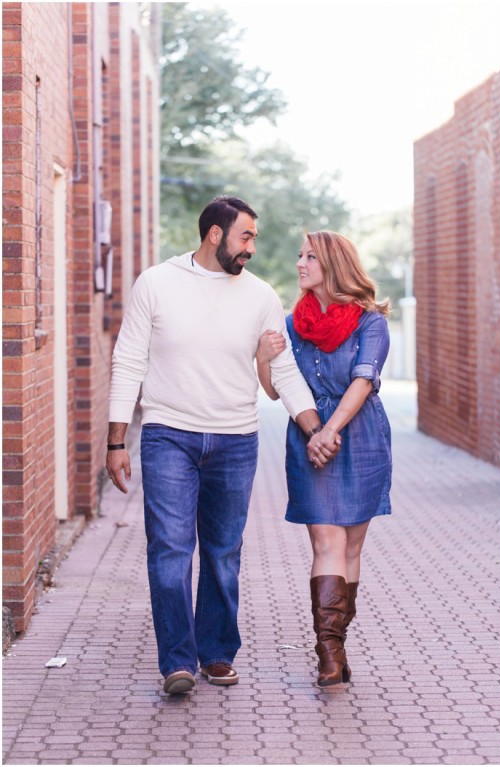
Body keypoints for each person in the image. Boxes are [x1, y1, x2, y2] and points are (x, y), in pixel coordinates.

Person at [106, 196, 333, 695]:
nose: (252, 247)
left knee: (223, 552)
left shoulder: (261, 297)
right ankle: (178, 662)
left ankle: (216, 653)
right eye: (245, 236)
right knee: (169, 549)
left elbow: (287, 371)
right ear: (215, 234)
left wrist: (314, 425)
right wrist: (116, 439)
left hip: (235, 439)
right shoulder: (157, 284)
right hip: (168, 434)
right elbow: (128, 362)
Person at [255, 230, 392, 688]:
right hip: (309, 438)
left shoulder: (371, 321)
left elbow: (364, 380)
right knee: (325, 544)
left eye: (310, 256)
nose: (300, 264)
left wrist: (330, 432)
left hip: (360, 436)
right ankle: (328, 653)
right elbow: (275, 389)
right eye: (299, 255)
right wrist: (262, 358)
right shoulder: (294, 323)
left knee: (351, 546)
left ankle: (338, 646)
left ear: (333, 264)